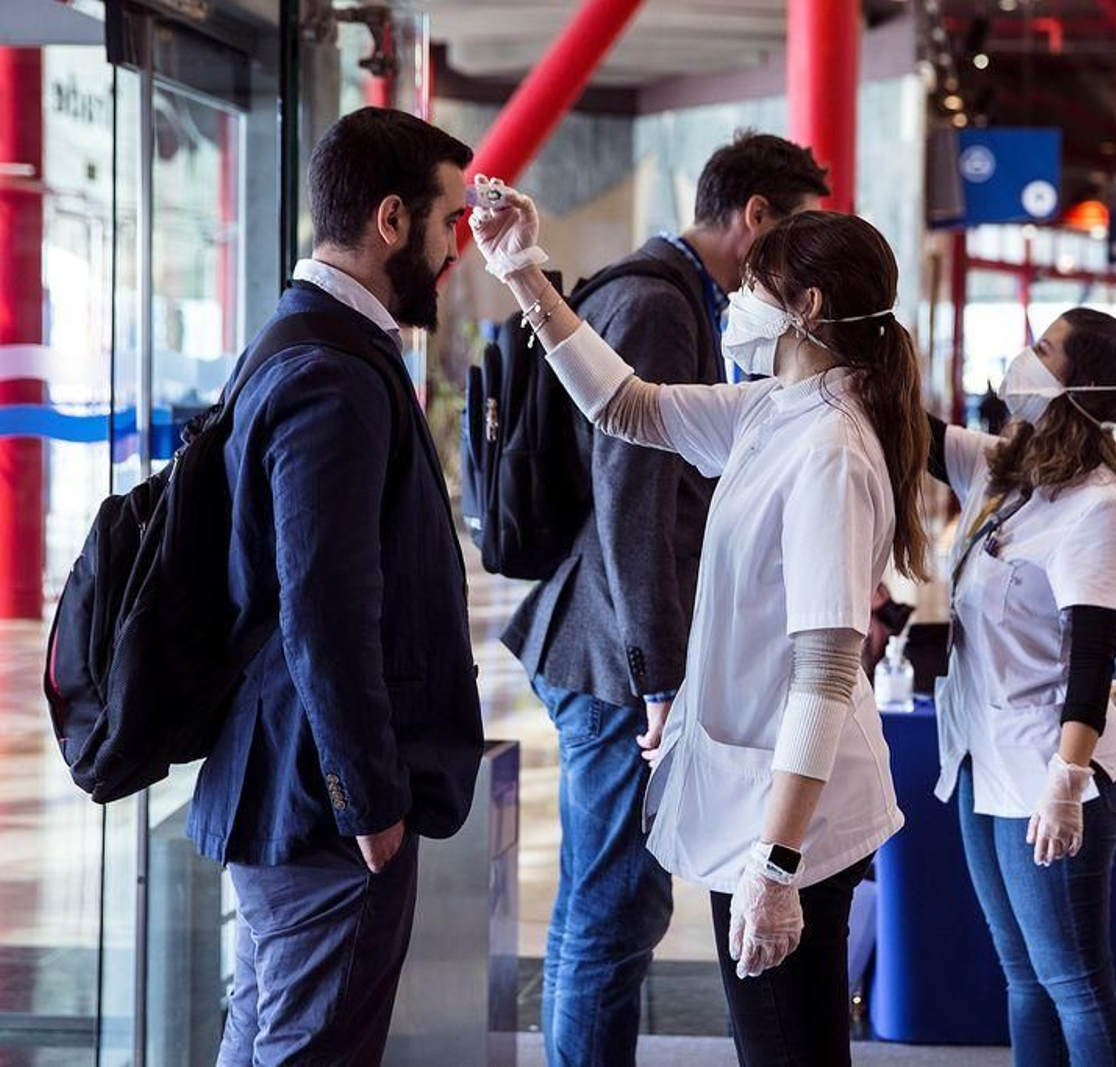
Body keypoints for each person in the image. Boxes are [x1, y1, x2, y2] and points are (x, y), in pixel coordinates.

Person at [474, 191, 927, 1065]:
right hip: (757, 800)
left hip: (794, 815)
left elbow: (827, 671)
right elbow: (626, 408)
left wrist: (780, 863)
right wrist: (524, 273)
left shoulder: (829, 448)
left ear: (807, 309)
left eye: (755, 286)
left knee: (788, 1047)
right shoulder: (772, 410)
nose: (736, 303)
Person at [187, 108, 485, 1065]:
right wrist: (366, 796)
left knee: (272, 1029)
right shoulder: (332, 370)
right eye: (446, 223)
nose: (451, 251)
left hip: (289, 779)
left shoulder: (301, 337)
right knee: (309, 1046)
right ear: (392, 219)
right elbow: (324, 605)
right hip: (321, 802)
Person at [927, 307, 1116, 1067]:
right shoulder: (1006, 472)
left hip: (1057, 770)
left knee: (1074, 982)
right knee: (1023, 975)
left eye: (1042, 348)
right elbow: (916, 436)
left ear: (1076, 381)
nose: (1023, 355)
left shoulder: (1099, 509)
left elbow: (1093, 665)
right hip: (987, 759)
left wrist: (1065, 781)